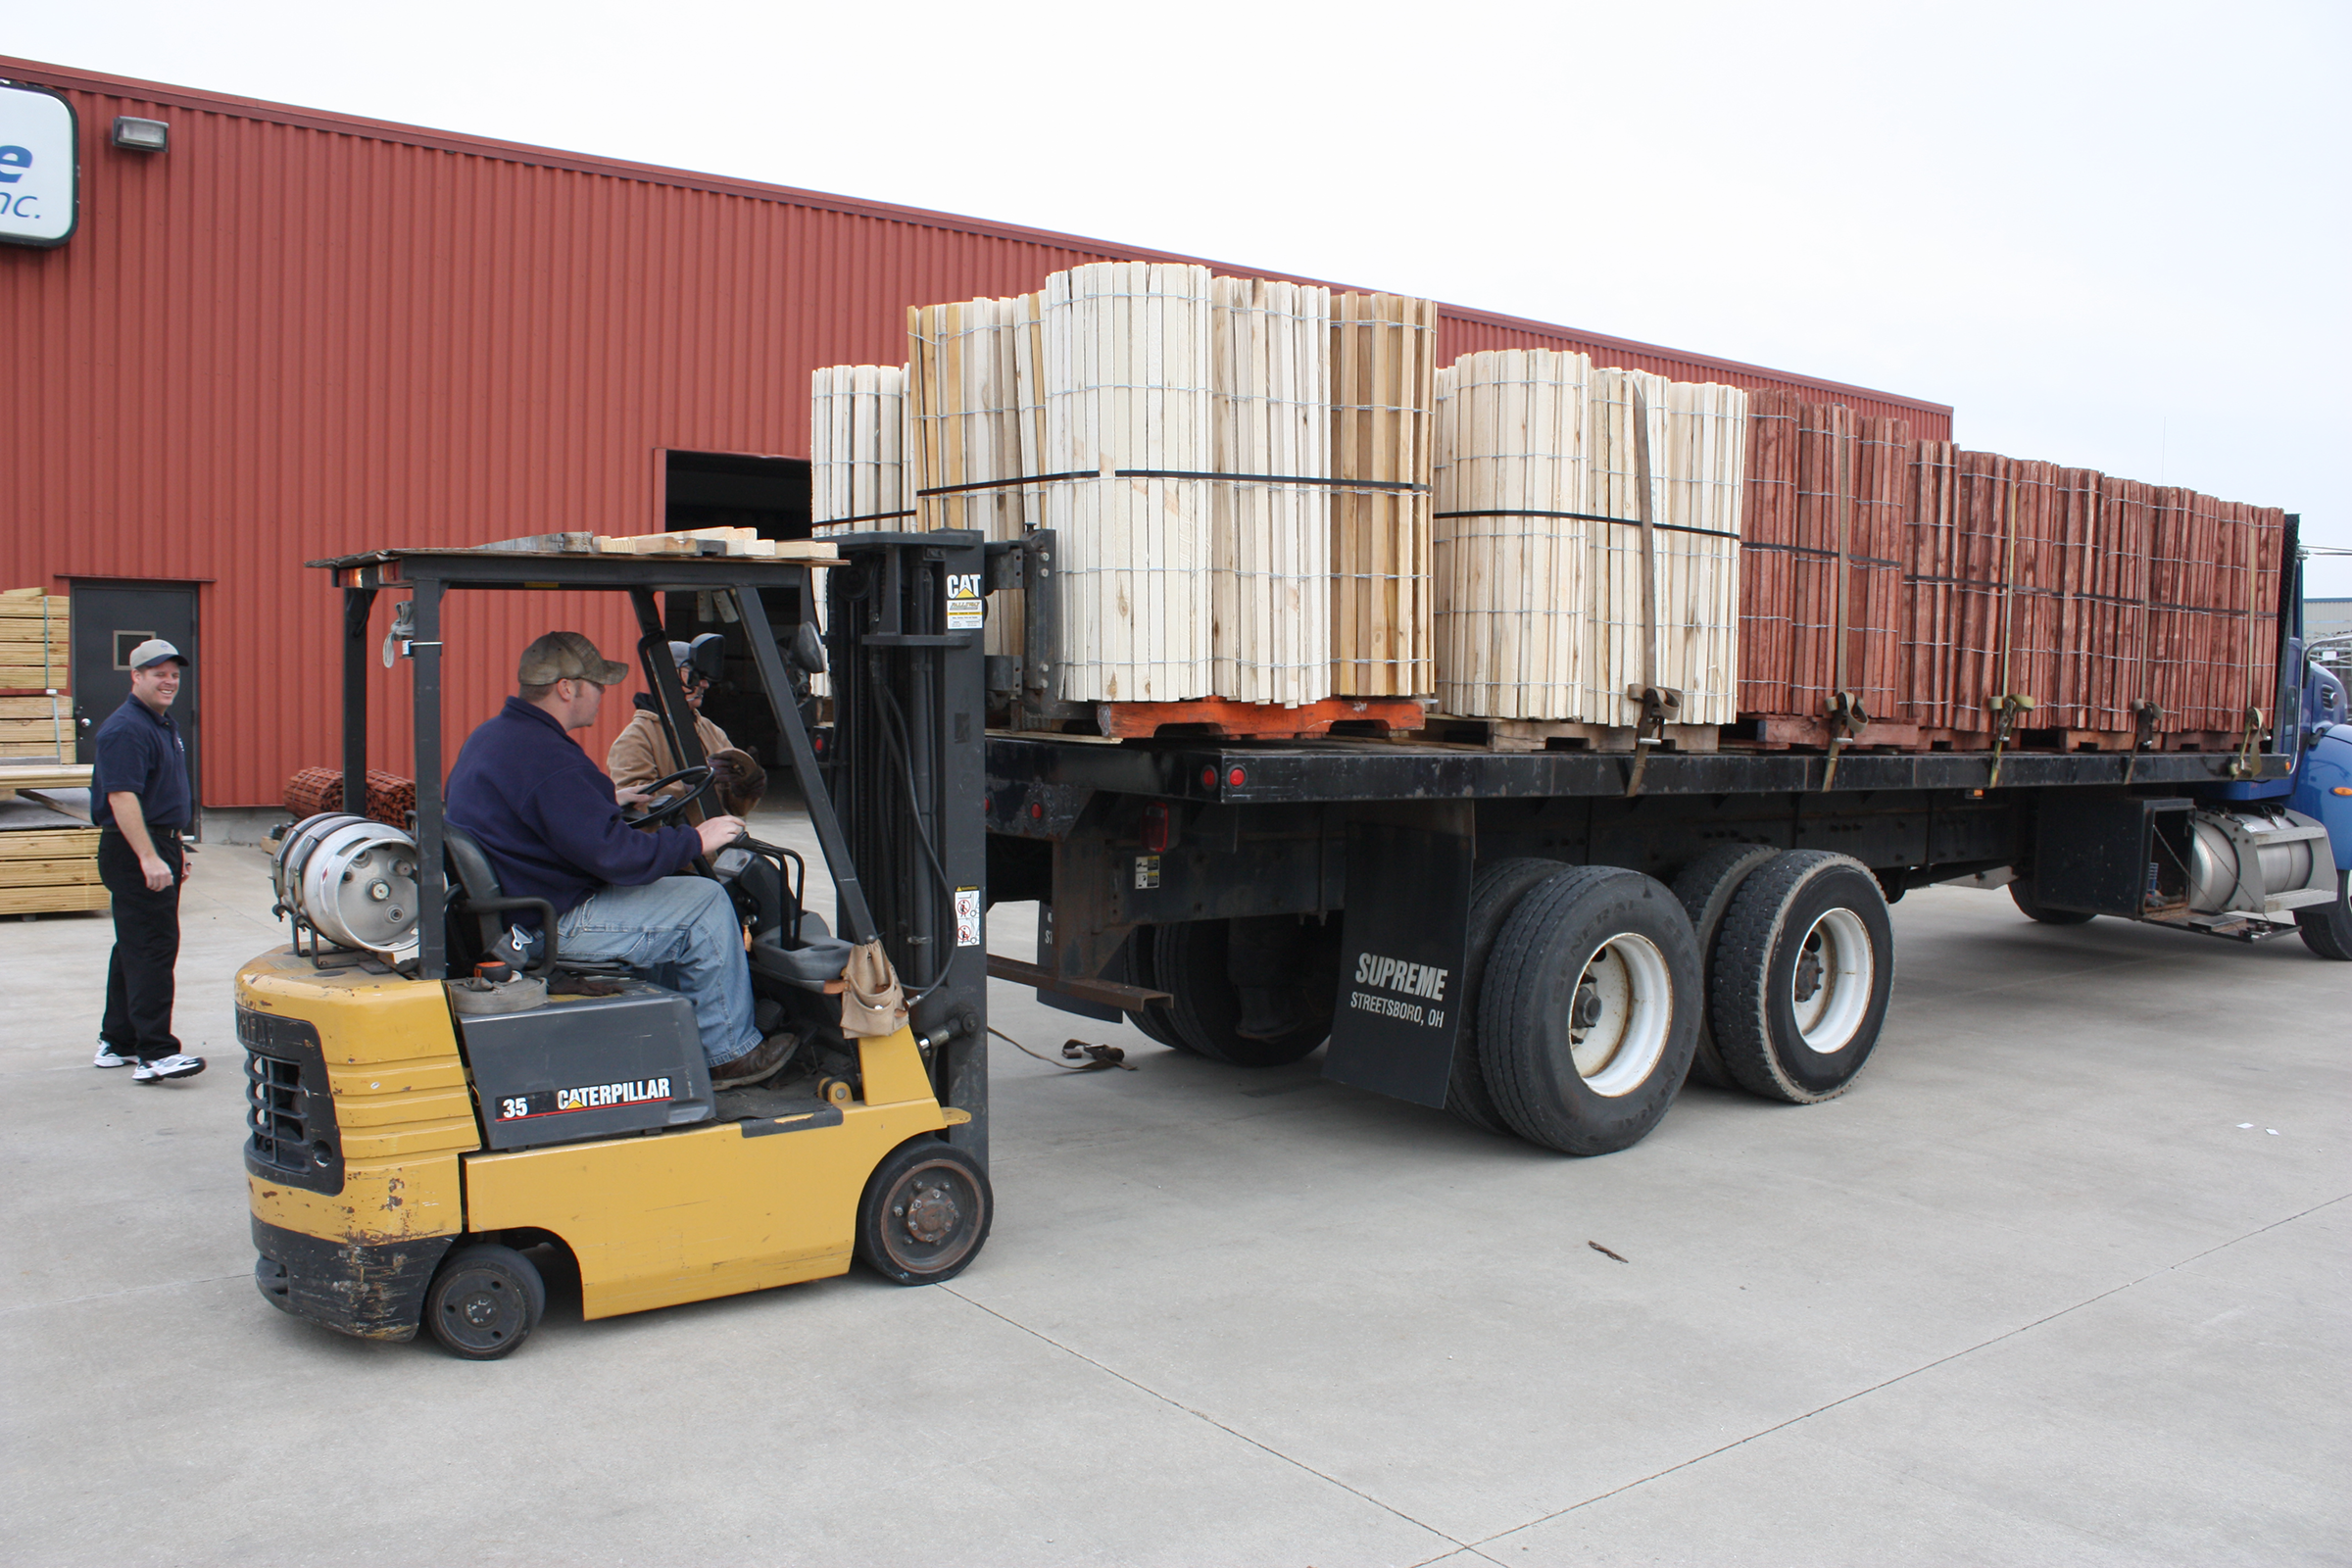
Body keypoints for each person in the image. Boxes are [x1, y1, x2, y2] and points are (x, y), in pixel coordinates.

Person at [444, 631, 794, 1089]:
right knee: (705, 902)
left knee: (677, 897)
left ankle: (681, 1029)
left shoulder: (497, 737)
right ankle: (728, 1052)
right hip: (547, 921)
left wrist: (606, 798)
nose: (603, 694)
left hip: (521, 903)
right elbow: (617, 858)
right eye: (597, 684)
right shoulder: (549, 757)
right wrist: (696, 839)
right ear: (567, 688)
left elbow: (540, 808)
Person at [90, 639, 206, 1083]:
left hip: (160, 845)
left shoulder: (159, 723)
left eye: (174, 673)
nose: (169, 681)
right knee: (153, 949)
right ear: (135, 676)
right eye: (158, 673)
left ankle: (116, 1041)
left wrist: (175, 853)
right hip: (135, 847)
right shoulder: (126, 729)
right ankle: (155, 1052)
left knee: (133, 946)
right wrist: (149, 857)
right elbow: (122, 796)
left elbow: (160, 795)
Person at [607, 638, 764, 825]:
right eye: (694, 675)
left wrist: (745, 787)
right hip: (674, 850)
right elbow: (634, 808)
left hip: (716, 849)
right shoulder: (636, 738)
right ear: (666, 677)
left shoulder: (712, 731)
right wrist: (690, 785)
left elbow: (737, 808)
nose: (704, 684)